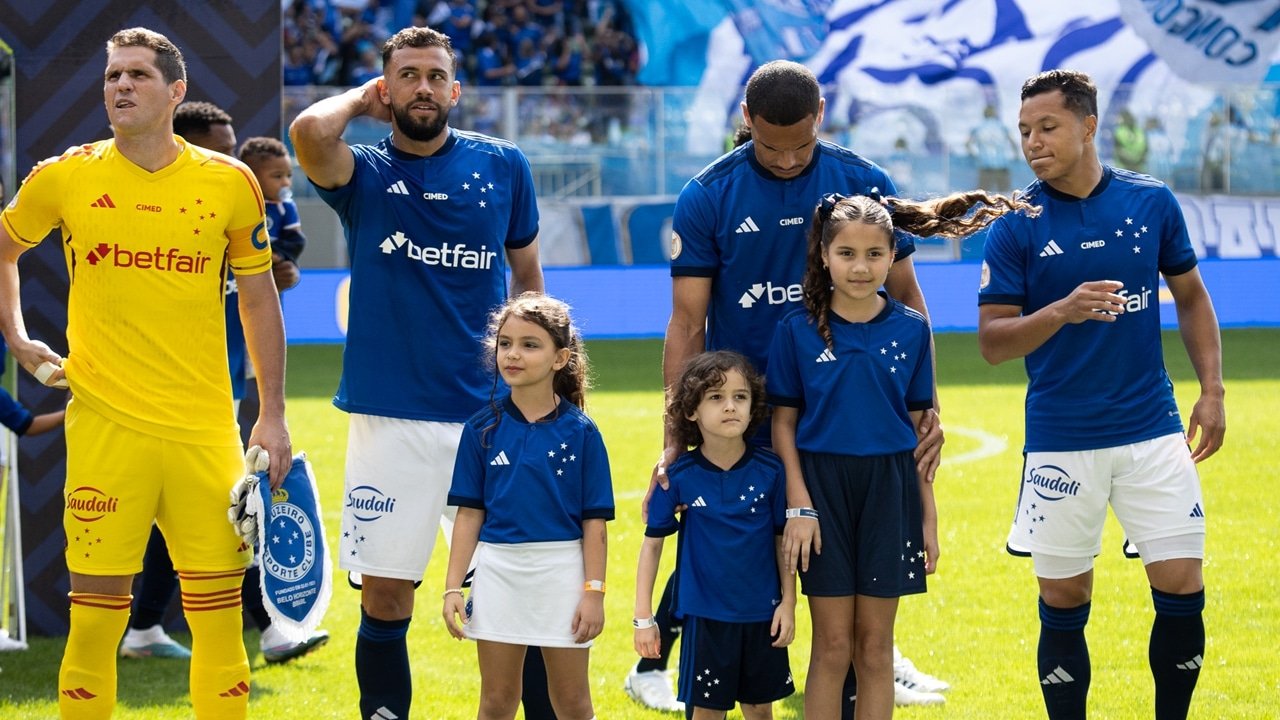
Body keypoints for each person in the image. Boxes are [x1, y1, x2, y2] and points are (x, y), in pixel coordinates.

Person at [637, 58, 947, 715]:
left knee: (841, 564)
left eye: (800, 145)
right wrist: (675, 433)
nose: (784, 161)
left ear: (822, 118)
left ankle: (874, 660)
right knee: (728, 544)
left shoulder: (865, 183)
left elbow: (908, 300)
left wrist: (929, 408)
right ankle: (655, 657)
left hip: (842, 410)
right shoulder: (708, 194)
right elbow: (687, 321)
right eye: (768, 146)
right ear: (744, 121)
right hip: (744, 412)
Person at [0, 27, 290, 719]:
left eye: (137, 75)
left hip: (204, 435)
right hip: (105, 431)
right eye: (112, 76)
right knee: (95, 622)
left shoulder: (231, 182)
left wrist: (273, 413)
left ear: (176, 91)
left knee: (218, 621)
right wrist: (16, 336)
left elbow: (258, 296)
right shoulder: (65, 175)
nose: (121, 86)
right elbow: (4, 249)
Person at [289, 26, 543, 719]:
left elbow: (528, 278)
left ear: (456, 89)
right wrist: (358, 102)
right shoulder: (365, 174)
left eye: (436, 75)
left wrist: (545, 382)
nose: (423, 88)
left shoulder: (503, 165)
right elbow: (310, 132)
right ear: (386, 88)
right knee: (388, 594)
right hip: (390, 416)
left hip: (490, 416)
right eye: (407, 76)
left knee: (518, 586)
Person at [978, 69, 1225, 720]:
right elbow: (994, 342)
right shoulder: (1016, 225)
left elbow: (1192, 297)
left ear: (1089, 126)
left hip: (1154, 430)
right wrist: (1061, 310)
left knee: (1182, 584)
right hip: (1063, 440)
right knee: (1064, 598)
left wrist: (1213, 390)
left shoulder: (1151, 203)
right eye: (1025, 129)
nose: (1033, 141)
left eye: (1048, 126)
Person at [772, 191, 1030, 720]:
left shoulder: (911, 330)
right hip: (822, 493)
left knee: (874, 649)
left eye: (873, 254)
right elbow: (784, 423)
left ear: (894, 257)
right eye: (846, 253)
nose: (860, 267)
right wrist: (798, 504)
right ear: (824, 256)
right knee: (831, 647)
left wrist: (927, 516)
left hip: (890, 492)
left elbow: (921, 433)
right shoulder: (795, 331)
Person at [118, 105, 325, 666]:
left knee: (189, 511)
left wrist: (279, 273)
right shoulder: (164, 213)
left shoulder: (234, 211)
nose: (236, 161)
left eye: (237, 149)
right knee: (226, 507)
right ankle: (272, 627)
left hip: (220, 387)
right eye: (223, 148)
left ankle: (141, 628)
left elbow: (251, 296)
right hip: (168, 395)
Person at [443, 292, 613, 720]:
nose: (513, 354)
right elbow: (469, 514)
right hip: (499, 573)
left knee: (573, 704)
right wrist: (451, 587)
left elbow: (595, 523)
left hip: (563, 574)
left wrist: (594, 593)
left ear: (561, 358)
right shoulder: (480, 429)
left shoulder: (582, 433)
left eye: (529, 344)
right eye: (505, 343)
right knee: (497, 702)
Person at [635, 350, 795, 720]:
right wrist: (644, 617)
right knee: (706, 713)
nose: (730, 407)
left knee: (759, 709)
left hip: (762, 616)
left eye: (740, 397)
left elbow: (779, 540)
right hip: (705, 619)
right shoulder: (675, 477)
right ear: (691, 410)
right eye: (716, 397)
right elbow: (653, 545)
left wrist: (788, 603)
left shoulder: (772, 471)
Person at [967, 104, 1020, 192]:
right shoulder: (1002, 126)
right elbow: (1013, 143)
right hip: (1002, 164)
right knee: (1005, 193)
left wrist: (975, 156)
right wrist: (1016, 156)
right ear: (995, 114)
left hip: (985, 165)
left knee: (982, 194)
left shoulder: (978, 127)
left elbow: (968, 144)